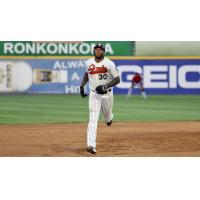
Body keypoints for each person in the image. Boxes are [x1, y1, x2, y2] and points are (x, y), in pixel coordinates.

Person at [80, 43, 120, 154]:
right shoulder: (88, 62)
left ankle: (109, 118)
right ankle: (91, 145)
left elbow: (117, 79)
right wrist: (82, 86)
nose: (98, 51)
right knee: (93, 120)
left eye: (100, 49)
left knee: (107, 117)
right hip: (94, 95)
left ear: (103, 51)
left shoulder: (109, 63)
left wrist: (105, 86)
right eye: (96, 49)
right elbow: (86, 74)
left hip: (107, 94)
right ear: (94, 51)